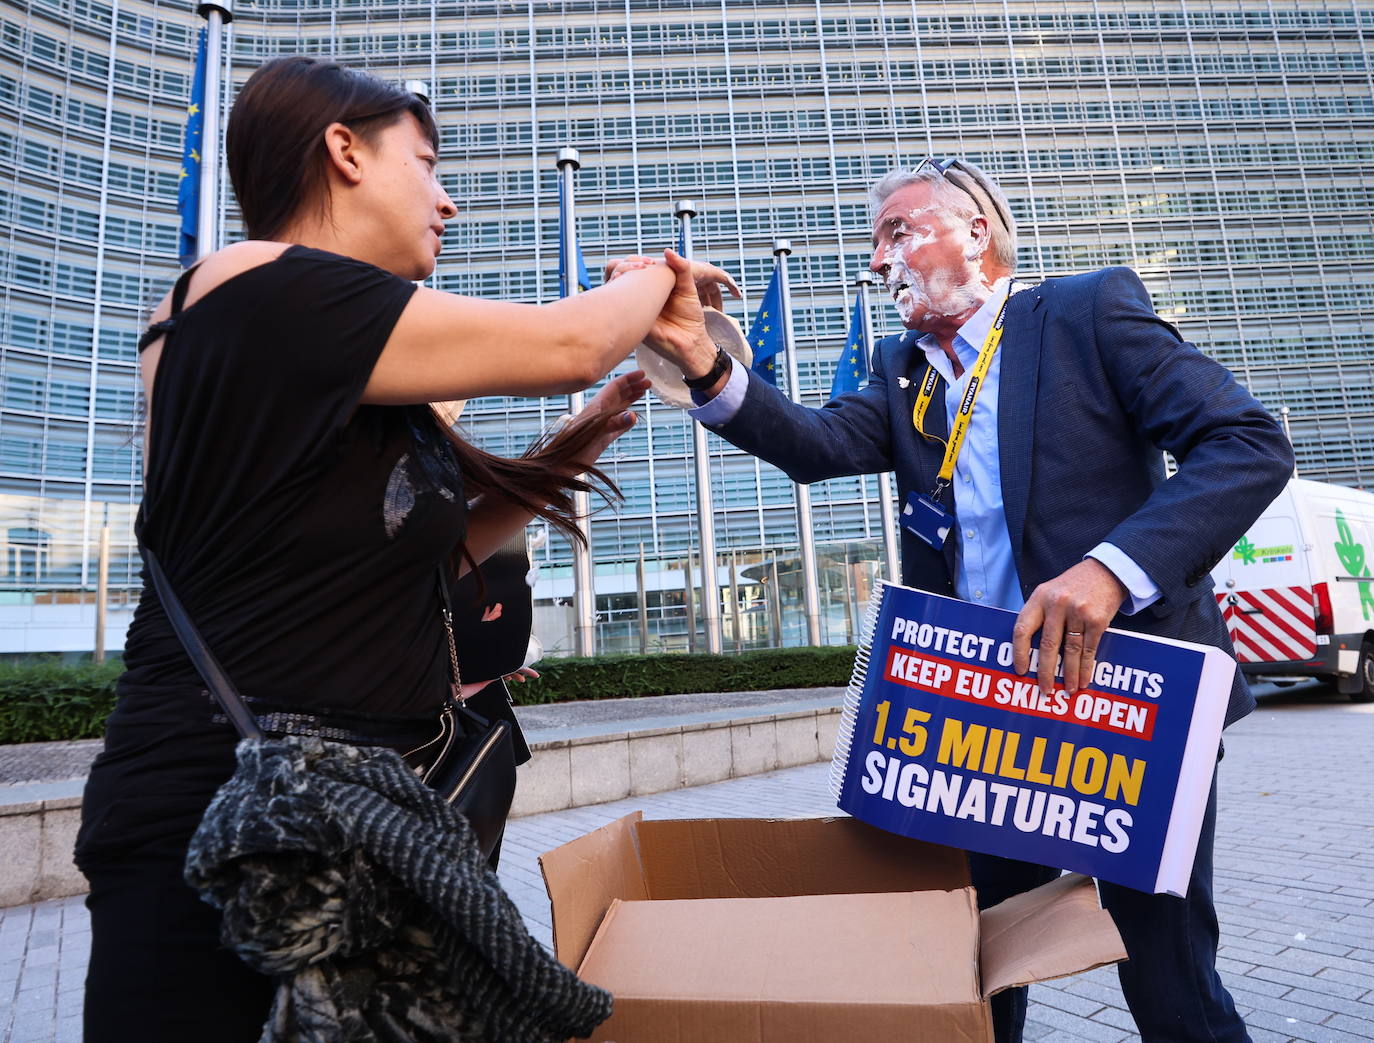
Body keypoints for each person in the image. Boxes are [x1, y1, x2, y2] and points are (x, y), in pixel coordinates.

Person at [75, 56, 733, 1043]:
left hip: (355, 810)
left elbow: (432, 543)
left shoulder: (321, 345)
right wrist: (657, 280)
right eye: (425, 164)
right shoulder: (251, 283)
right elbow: (567, 342)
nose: (449, 200)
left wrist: (580, 440)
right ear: (342, 151)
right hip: (231, 812)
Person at [616, 158, 1293, 1042]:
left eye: (898, 232)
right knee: (971, 970)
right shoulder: (905, 370)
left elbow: (1246, 442)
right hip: (986, 717)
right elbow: (814, 443)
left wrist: (1111, 569)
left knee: (1168, 983)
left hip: (1126, 707)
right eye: (874, 244)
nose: (879, 260)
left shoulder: (1086, 314)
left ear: (976, 229)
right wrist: (702, 359)